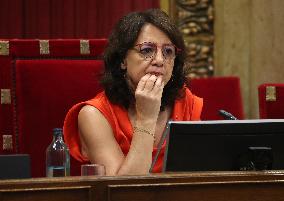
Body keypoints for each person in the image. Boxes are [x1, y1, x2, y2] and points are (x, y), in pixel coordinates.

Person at [63, 9, 203, 176]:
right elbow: (122, 191)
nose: (159, 60)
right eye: (146, 50)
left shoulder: (186, 102)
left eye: (168, 51)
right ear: (122, 59)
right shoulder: (94, 115)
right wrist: (147, 118)